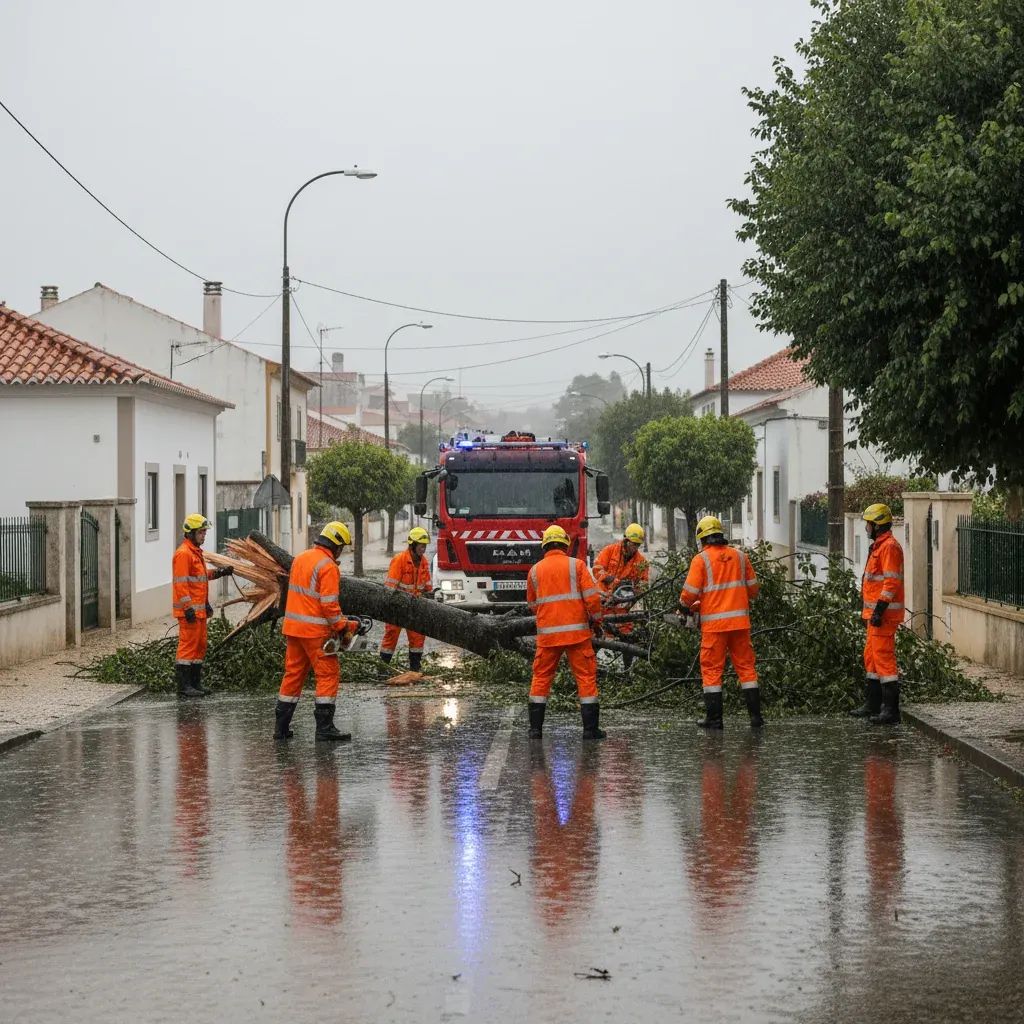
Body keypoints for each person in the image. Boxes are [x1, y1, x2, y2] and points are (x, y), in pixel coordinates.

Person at [274, 521, 362, 742]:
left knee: (293, 676)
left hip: (293, 629)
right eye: (342, 547)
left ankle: (281, 729)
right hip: (315, 633)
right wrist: (345, 626)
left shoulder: (301, 558)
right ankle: (324, 728)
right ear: (336, 545)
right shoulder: (328, 566)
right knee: (328, 674)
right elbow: (329, 607)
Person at [678, 515, 762, 730]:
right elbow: (753, 591)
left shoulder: (701, 560)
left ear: (702, 538)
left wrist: (685, 607)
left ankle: (714, 720)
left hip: (715, 629)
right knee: (746, 669)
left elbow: (689, 594)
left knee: (712, 670)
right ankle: (756, 718)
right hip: (740, 625)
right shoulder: (741, 556)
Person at [526, 524, 605, 740]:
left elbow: (532, 604)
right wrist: (597, 621)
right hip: (577, 636)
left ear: (545, 546)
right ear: (565, 545)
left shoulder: (535, 571)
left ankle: (535, 730)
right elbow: (592, 599)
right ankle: (590, 730)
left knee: (541, 679)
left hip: (548, 637)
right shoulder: (577, 566)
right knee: (586, 679)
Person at [851, 503, 905, 726]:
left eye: (868, 524)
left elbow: (891, 583)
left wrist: (879, 611)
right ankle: (873, 704)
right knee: (871, 658)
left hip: (883, 615)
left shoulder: (889, 547)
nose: (866, 528)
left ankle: (890, 710)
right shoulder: (879, 546)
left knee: (884, 660)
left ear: (877, 525)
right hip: (874, 614)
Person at [172, 513, 233, 699]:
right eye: (201, 532)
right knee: (187, 648)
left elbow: (201, 577)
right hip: (189, 612)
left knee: (199, 646)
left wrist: (220, 573)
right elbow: (181, 584)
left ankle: (195, 683)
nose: (204, 536)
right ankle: (184, 686)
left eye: (204, 532)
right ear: (190, 533)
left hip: (198, 612)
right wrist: (188, 607)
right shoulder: (184, 554)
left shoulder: (195, 553)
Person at [592, 522, 650, 669]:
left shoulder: (641, 562)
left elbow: (643, 584)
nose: (634, 548)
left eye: (637, 545)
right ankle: (591, 667)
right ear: (625, 540)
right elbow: (597, 568)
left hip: (622, 606)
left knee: (627, 638)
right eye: (632, 544)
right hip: (603, 600)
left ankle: (627, 670)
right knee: (595, 635)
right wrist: (611, 579)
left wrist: (633, 591)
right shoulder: (610, 551)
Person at [380, 526, 433, 672]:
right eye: (421, 546)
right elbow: (390, 588)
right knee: (391, 636)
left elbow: (427, 587)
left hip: (415, 608)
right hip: (397, 607)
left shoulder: (424, 563)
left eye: (425, 546)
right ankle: (383, 669)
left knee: (418, 638)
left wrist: (431, 595)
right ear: (413, 545)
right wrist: (389, 606)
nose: (424, 549)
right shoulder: (399, 560)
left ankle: (415, 669)